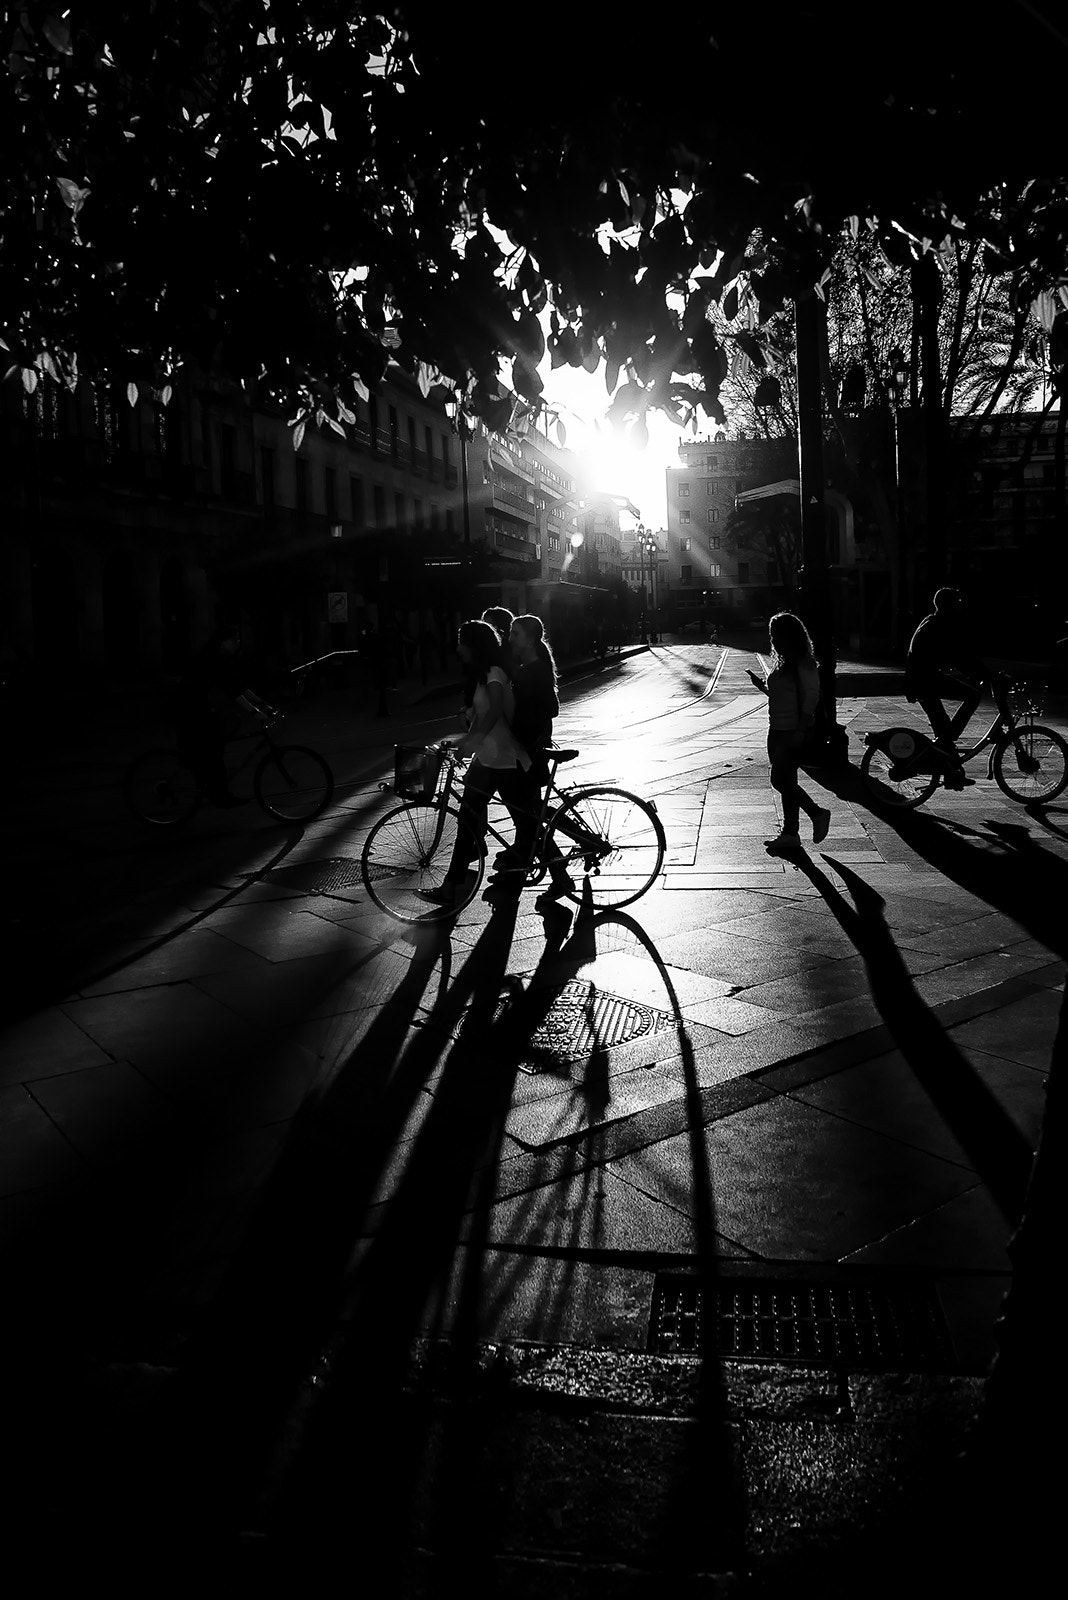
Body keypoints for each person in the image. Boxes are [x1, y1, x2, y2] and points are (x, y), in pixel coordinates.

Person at [423, 618, 535, 906]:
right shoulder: (481, 675)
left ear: (474, 644)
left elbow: (495, 710)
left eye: (462, 641)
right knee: (469, 821)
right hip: (488, 760)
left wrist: (472, 742)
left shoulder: (494, 673)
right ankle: (450, 886)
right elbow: (480, 718)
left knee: (527, 824)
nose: (458, 647)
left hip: (506, 760)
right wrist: (463, 745)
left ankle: (559, 871)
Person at [493, 614, 573, 902]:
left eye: (515, 634)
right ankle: (541, 869)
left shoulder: (534, 671)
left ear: (529, 639)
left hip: (529, 752)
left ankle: (527, 865)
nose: (510, 639)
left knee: (530, 815)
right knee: (532, 814)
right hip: (527, 750)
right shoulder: (531, 667)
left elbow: (549, 708)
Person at [748, 612, 831, 855]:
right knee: (788, 782)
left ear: (789, 635)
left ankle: (817, 813)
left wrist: (801, 730)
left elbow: (811, 697)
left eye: (776, 634)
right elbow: (782, 697)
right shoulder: (784, 662)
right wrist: (763, 687)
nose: (773, 639)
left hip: (791, 732)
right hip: (777, 729)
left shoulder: (803, 663)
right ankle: (790, 833)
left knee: (780, 780)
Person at [171, 625, 275, 806]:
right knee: (214, 753)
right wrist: (254, 712)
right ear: (222, 642)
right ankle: (219, 794)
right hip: (191, 711)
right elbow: (232, 690)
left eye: (238, 639)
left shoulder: (222, 659)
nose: (238, 643)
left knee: (222, 736)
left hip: (201, 709)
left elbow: (238, 685)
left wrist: (262, 704)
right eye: (234, 639)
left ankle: (204, 775)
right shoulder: (211, 660)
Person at [904, 587, 991, 787]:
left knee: (942, 727)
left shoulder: (932, 621)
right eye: (957, 602)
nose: (960, 606)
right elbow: (960, 656)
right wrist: (984, 674)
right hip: (926, 680)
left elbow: (958, 655)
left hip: (922, 680)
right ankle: (946, 745)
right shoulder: (940, 625)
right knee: (973, 696)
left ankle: (951, 772)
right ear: (949, 605)